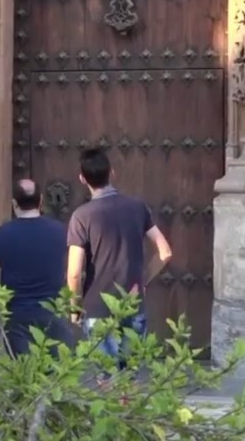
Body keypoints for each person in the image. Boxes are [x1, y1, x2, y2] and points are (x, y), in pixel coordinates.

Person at [66, 148, 173, 370]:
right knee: (129, 375)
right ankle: (127, 405)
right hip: (133, 303)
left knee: (106, 376)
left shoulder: (81, 216)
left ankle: (111, 405)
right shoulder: (137, 208)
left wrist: (74, 306)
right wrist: (142, 281)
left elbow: (74, 272)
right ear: (111, 173)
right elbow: (165, 252)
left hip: (97, 307)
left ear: (82, 178)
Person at [0, 180, 74, 357]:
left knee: (25, 375)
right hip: (53, 310)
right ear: (41, 200)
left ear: (14, 203)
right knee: (57, 374)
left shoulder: (1, 234)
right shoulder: (60, 231)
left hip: (18, 314)